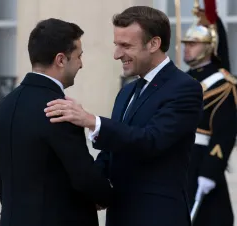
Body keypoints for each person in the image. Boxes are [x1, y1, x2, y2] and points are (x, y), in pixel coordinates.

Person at [44, 6, 203, 226]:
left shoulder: (185, 88)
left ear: (154, 44)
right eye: (116, 45)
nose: (117, 54)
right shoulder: (127, 91)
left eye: (126, 46)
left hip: (158, 217)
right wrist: (91, 188)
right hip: (120, 215)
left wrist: (92, 121)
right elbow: (112, 153)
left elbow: (151, 141)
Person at [0, 18, 113, 226]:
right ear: (61, 60)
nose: (81, 64)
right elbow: (83, 177)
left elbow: (1, 181)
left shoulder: (4, 106)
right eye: (78, 56)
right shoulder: (60, 109)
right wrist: (107, 196)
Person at [181, 0, 237, 225]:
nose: (187, 47)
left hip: (201, 162)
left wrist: (210, 170)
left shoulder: (222, 83)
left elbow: (224, 133)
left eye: (193, 44)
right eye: (186, 43)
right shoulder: (182, 79)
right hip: (179, 160)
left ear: (209, 46)